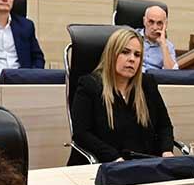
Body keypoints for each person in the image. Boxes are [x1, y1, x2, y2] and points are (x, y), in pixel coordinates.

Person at [70, 28, 176, 163]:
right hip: (105, 165)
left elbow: (164, 126)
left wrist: (166, 151)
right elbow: (82, 134)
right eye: (125, 52)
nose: (132, 59)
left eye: (137, 55)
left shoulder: (147, 84)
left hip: (144, 165)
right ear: (112, 54)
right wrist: (114, 158)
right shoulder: (90, 85)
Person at [137, 5, 178, 71]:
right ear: (144, 21)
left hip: (153, 76)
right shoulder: (132, 37)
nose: (155, 27)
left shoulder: (168, 46)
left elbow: (171, 73)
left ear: (165, 25)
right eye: (151, 22)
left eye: (159, 23)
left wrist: (163, 45)